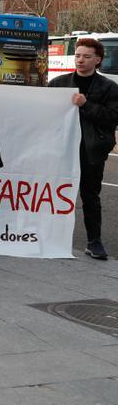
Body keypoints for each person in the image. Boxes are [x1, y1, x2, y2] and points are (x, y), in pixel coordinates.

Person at [50, 38, 118, 261]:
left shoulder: (109, 88)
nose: (81, 60)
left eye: (87, 56)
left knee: (90, 195)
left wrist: (86, 104)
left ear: (97, 60)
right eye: (78, 55)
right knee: (53, 193)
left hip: (91, 150)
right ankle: (48, 235)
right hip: (61, 148)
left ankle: (94, 242)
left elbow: (112, 117)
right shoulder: (59, 83)